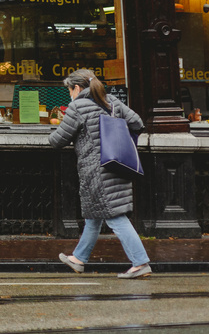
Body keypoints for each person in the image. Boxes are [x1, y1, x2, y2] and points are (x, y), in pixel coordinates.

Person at [49, 69, 151, 279]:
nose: (70, 94)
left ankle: (140, 263)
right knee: (94, 216)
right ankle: (79, 259)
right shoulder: (111, 101)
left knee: (115, 217)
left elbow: (57, 140)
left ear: (76, 88)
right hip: (118, 165)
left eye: (70, 90)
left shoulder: (77, 107)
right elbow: (138, 123)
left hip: (96, 171)